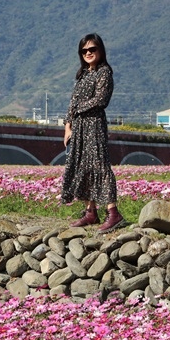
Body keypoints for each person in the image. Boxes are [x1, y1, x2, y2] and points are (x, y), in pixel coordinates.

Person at [60, 33, 124, 234]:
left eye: (92, 49)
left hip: (94, 124)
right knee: (81, 166)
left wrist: (79, 108)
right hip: (78, 127)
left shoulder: (104, 73)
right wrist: (67, 126)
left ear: (101, 50)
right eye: (84, 50)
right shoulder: (82, 74)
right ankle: (90, 212)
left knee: (100, 165)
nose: (88, 53)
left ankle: (113, 213)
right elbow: (72, 102)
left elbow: (101, 100)